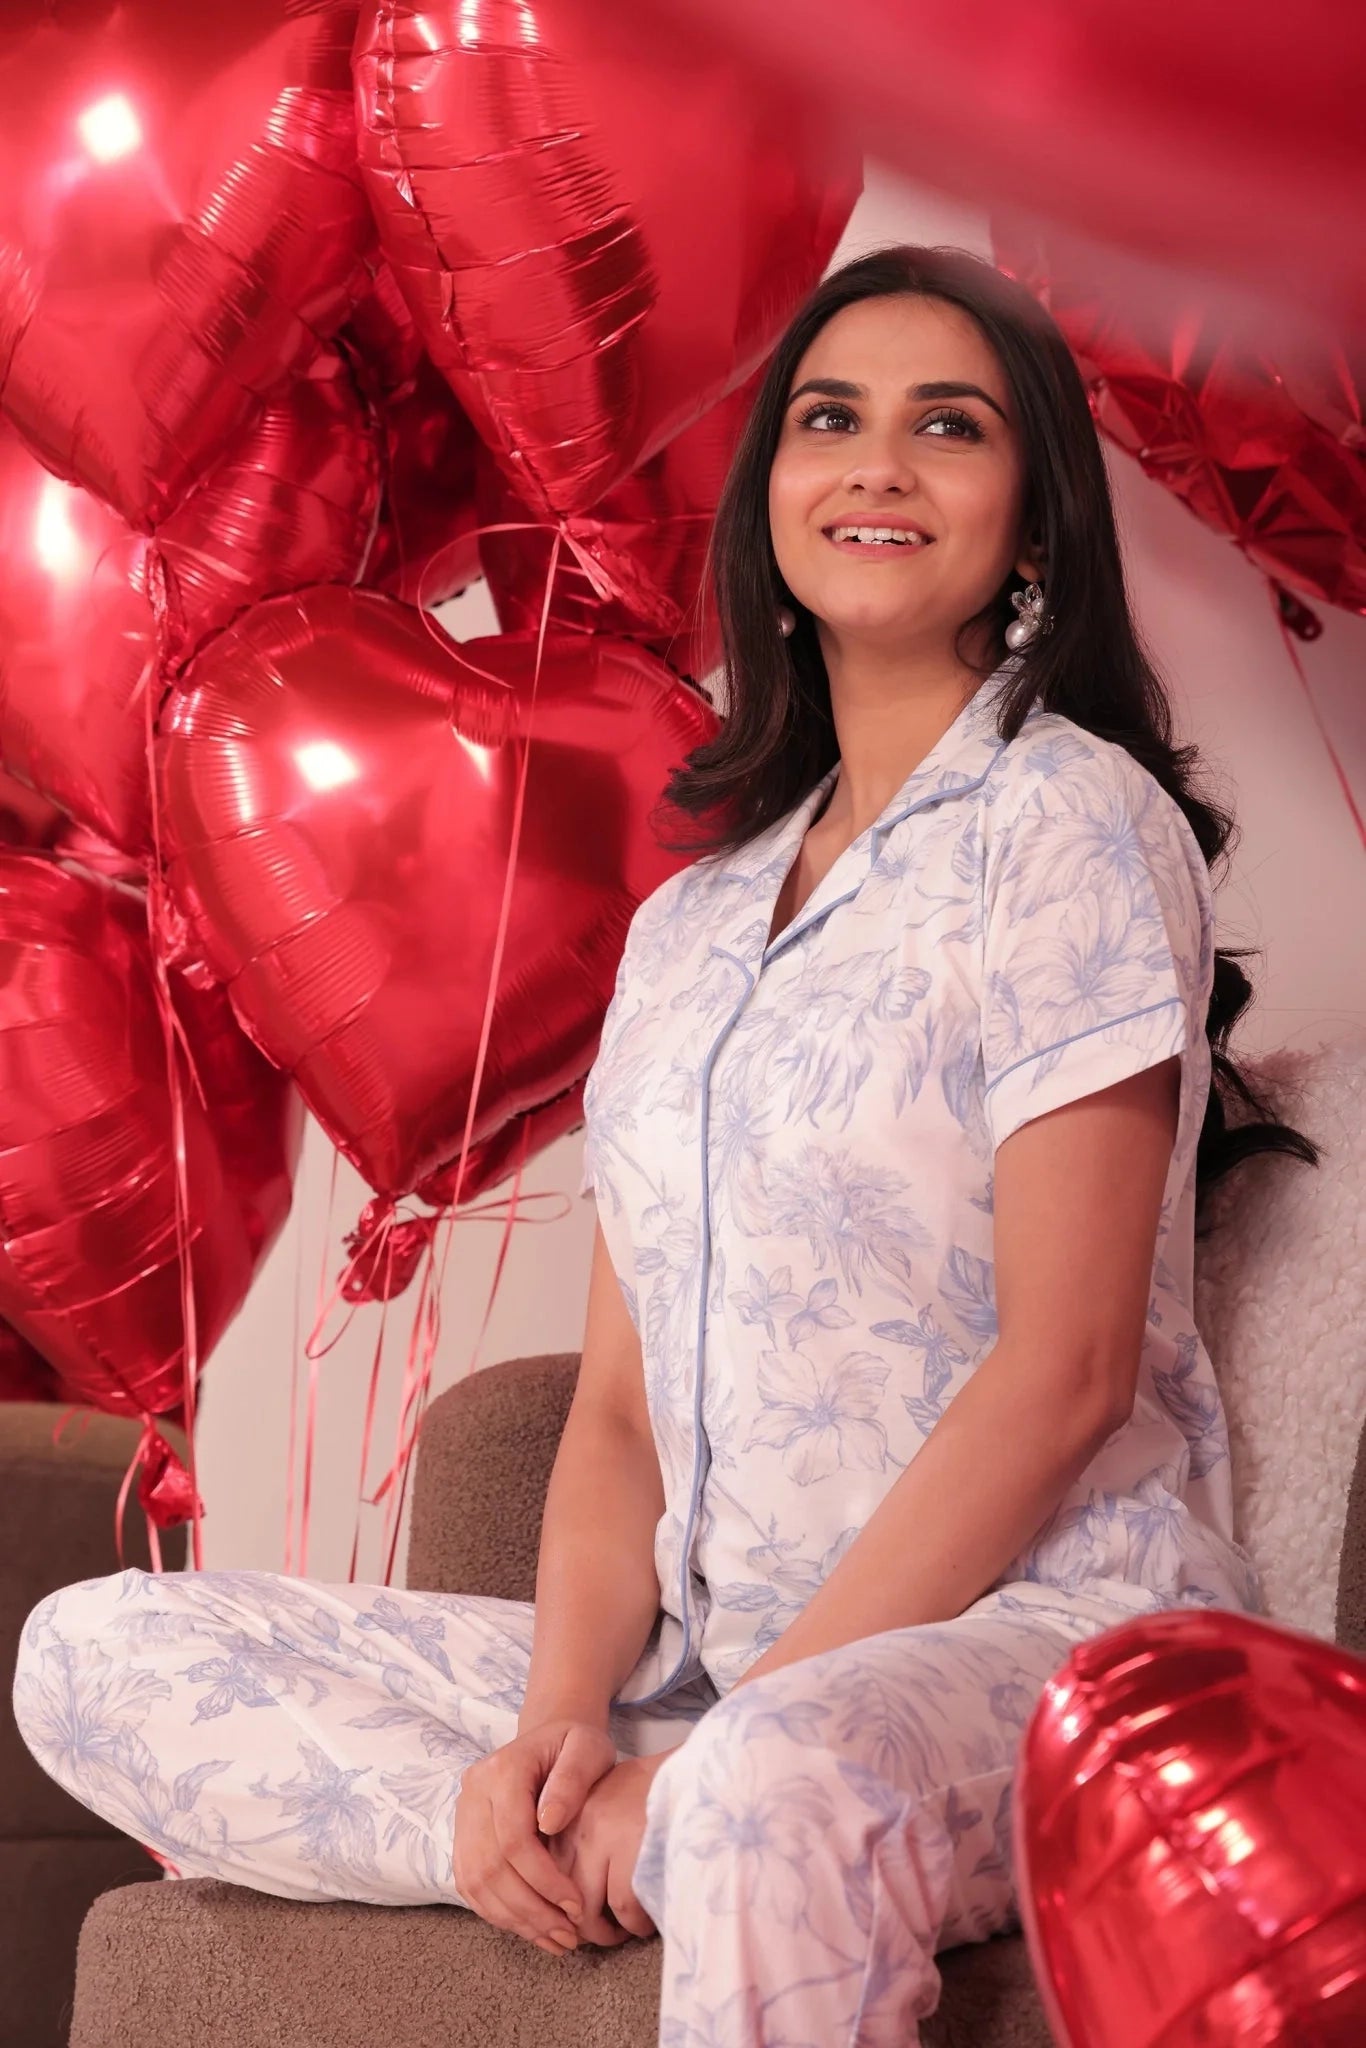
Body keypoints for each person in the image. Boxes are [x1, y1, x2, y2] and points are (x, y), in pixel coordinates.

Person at [12, 245, 1318, 2045]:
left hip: (1032, 1647)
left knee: (773, 1780)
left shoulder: (1069, 827)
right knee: (92, 1652)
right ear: (767, 499)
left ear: (1031, 528)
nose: (874, 465)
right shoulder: (686, 929)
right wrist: (560, 1723)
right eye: (826, 421)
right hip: (693, 1670)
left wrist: (750, 1728)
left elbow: (1069, 1365)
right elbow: (618, 1412)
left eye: (946, 427)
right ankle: (562, 1839)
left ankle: (704, 1817)